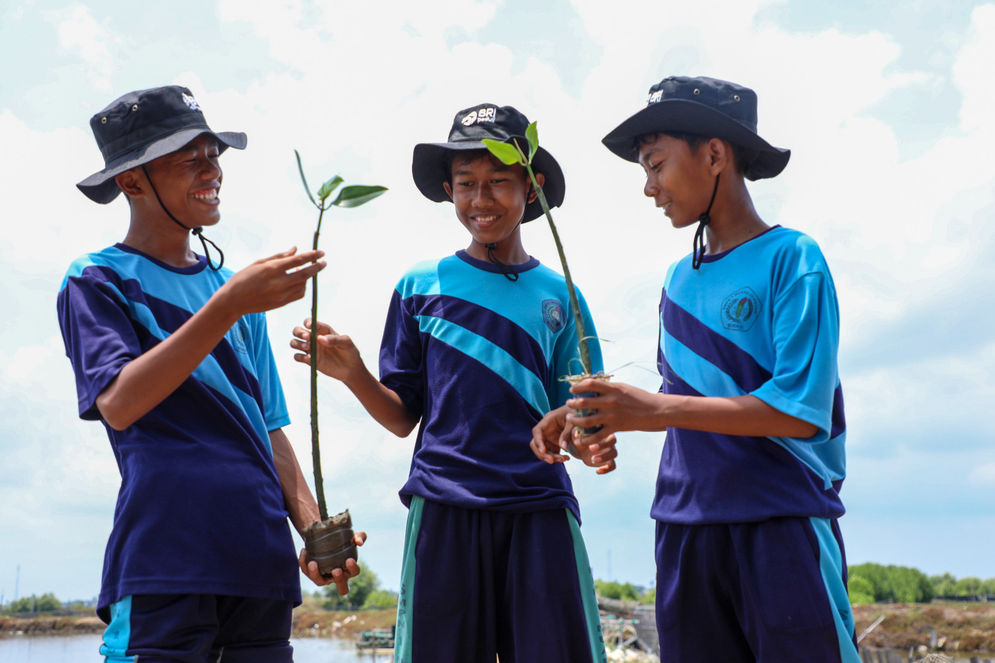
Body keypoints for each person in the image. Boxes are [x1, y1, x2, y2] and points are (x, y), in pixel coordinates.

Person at [531, 76, 859, 662]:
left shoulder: (793, 259)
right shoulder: (679, 279)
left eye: (656, 165)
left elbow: (799, 409)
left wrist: (655, 409)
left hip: (781, 520)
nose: (649, 187)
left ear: (714, 155)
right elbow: (685, 399)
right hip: (684, 528)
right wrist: (592, 413)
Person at [291, 103, 614, 663]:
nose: (481, 200)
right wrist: (354, 374)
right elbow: (401, 417)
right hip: (445, 505)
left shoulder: (562, 297)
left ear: (531, 188)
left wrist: (591, 442)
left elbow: (582, 418)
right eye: (466, 184)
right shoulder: (422, 288)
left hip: (540, 505)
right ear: (448, 190)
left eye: (498, 183)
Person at [58, 85, 363, 663]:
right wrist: (227, 305)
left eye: (214, 155)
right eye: (187, 159)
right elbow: (120, 403)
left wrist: (316, 533)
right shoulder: (97, 281)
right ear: (131, 181)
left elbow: (270, 430)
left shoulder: (232, 290)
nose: (211, 170)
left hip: (260, 560)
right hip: (165, 560)